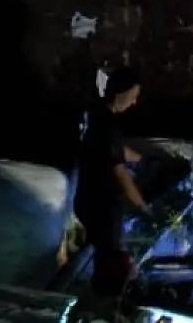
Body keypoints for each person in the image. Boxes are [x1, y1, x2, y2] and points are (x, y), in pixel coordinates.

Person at [74, 66, 151, 296]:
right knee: (110, 257)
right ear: (120, 94)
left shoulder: (98, 116)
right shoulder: (107, 127)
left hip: (87, 198)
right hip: (102, 205)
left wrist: (142, 159)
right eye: (133, 95)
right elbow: (120, 173)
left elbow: (116, 150)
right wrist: (142, 205)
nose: (135, 102)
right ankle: (106, 298)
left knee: (103, 253)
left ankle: (102, 291)